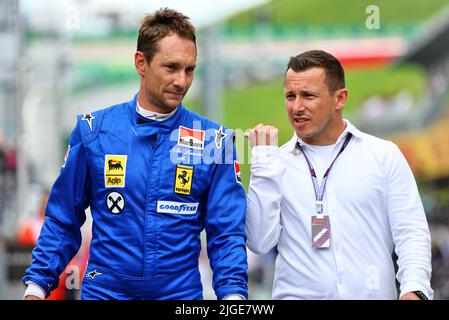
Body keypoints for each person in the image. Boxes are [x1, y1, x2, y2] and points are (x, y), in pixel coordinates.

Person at [23, 8, 248, 300]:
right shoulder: (93, 131)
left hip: (179, 296)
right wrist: (36, 287)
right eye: (171, 67)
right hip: (105, 292)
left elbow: (227, 233)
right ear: (141, 63)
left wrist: (233, 297)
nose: (182, 80)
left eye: (189, 69)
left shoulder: (215, 141)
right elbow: (63, 218)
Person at [244, 50, 433, 300]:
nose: (297, 107)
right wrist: (263, 165)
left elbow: (411, 232)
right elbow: (259, 242)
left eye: (308, 96)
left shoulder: (384, 155)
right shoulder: (273, 163)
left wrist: (415, 288)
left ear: (340, 99)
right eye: (290, 96)